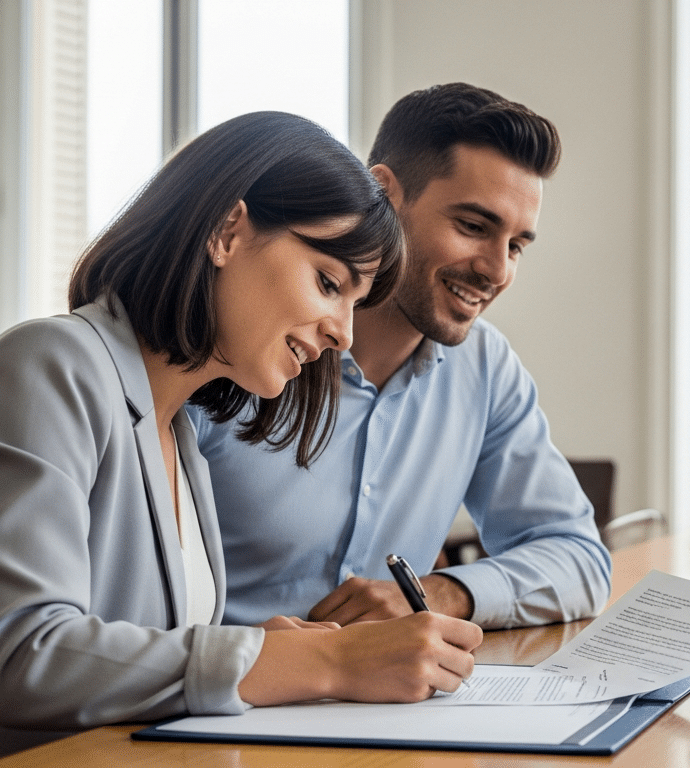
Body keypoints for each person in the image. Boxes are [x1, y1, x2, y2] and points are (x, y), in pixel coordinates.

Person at [0, 111, 484, 756]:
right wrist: (322, 663)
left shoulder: (183, 435)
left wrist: (280, 651)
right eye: (329, 282)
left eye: (355, 301)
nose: (344, 332)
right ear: (228, 231)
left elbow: (147, 661)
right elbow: (24, 653)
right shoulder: (52, 364)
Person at [191, 84, 610, 630]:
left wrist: (441, 593)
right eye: (473, 227)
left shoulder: (484, 368)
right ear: (384, 193)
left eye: (515, 246)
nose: (497, 270)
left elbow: (578, 558)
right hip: (217, 698)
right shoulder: (245, 342)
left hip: (378, 702)